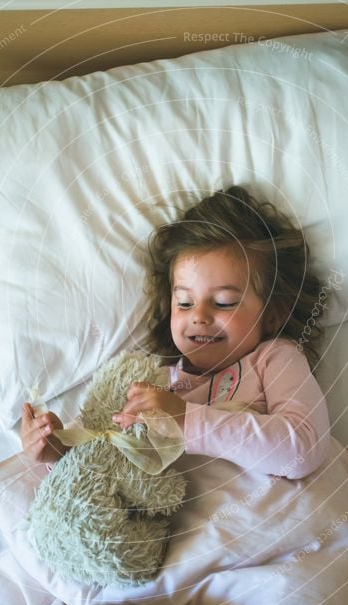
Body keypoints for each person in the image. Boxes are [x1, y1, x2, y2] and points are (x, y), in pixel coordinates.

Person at [21, 185, 330, 479]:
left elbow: (304, 448)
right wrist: (60, 449)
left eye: (224, 303)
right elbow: (108, 452)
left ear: (272, 313)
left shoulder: (273, 359)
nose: (199, 316)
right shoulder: (156, 382)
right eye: (184, 302)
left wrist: (185, 420)